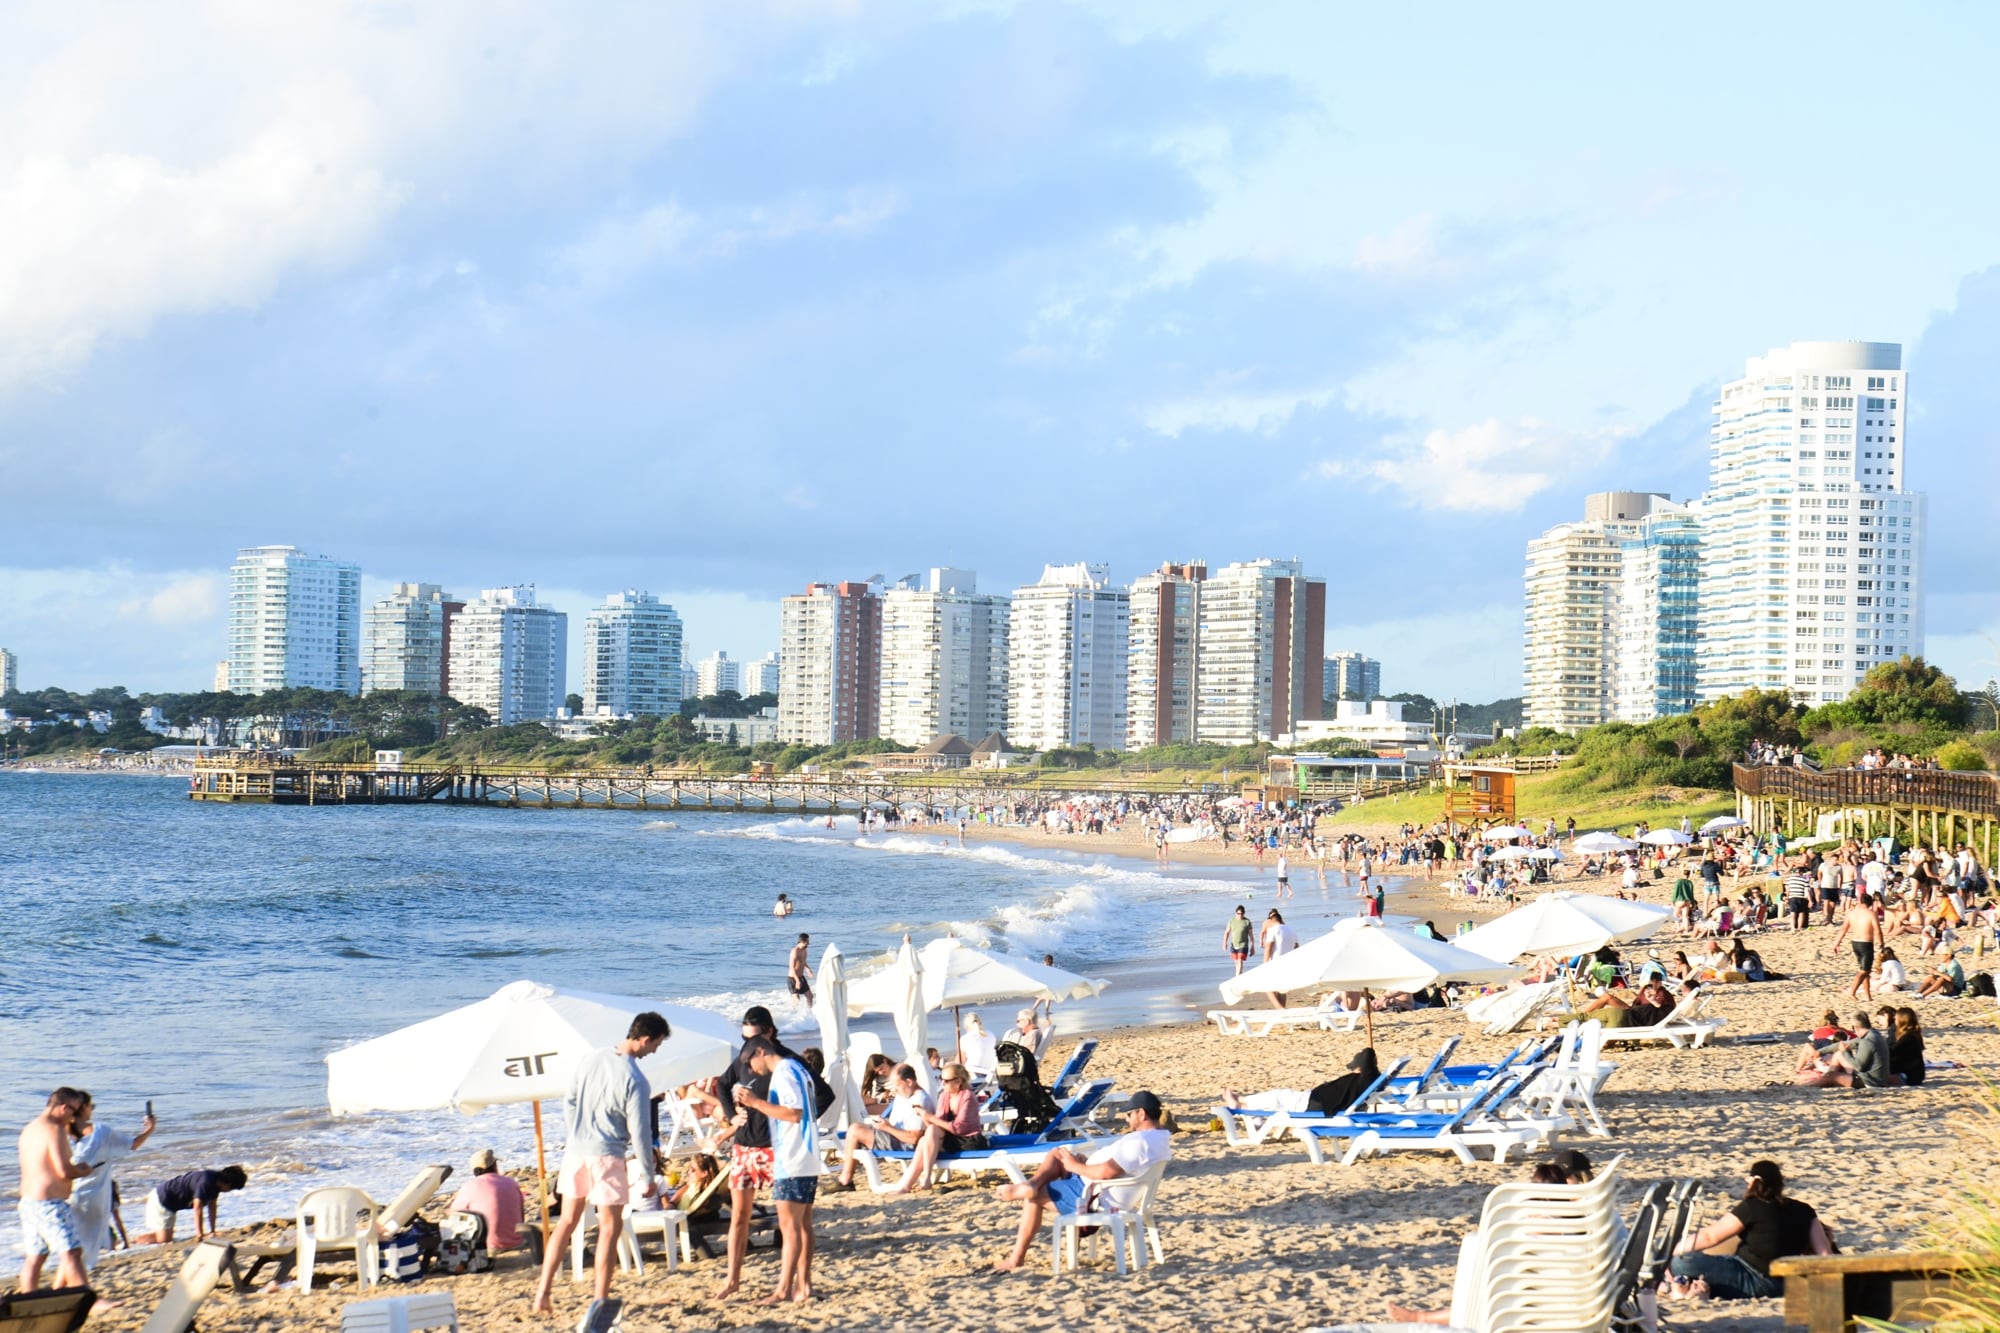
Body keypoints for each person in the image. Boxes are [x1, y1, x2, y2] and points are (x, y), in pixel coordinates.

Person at [529, 1011, 669, 1316]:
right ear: (645, 1039)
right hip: (606, 1153)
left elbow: (570, 1101)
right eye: (655, 1045)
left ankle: (543, 1291)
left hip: (576, 1151)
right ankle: (599, 1298)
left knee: (566, 1222)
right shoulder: (636, 1079)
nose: (654, 1051)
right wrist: (646, 1174)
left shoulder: (591, 1059)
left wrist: (576, 1132)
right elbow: (640, 1132)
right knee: (610, 1227)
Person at [991, 1091, 1173, 1272]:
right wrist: (1084, 1164)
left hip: (1094, 1196)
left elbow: (1106, 1172)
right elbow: (1118, 1170)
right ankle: (1031, 1185)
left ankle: (1016, 1258)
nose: (1127, 1119)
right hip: (1100, 1186)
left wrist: (1075, 1166)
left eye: (1129, 1114)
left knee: (1035, 1197)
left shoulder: (1140, 1141)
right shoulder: (1160, 1138)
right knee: (1057, 1153)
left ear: (1141, 1113)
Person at [729, 1037, 819, 1305]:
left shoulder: (784, 1071)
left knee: (790, 1226)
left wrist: (756, 1103)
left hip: (792, 1155)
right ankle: (804, 1287)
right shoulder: (799, 1068)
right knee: (802, 1225)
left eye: (749, 1062)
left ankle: (783, 1290)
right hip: (807, 1154)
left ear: (760, 1051)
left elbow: (794, 1113)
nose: (751, 1070)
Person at [1667, 1160, 1832, 1300]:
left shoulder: (1753, 1206)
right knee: (1723, 1260)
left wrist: (1671, 1252)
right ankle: (1702, 1290)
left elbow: (1710, 1237)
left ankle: (1691, 1287)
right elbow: (1824, 1254)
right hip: (1784, 1284)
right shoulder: (1805, 1210)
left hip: (1751, 1276)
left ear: (1752, 1182)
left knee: (1682, 1262)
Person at [17, 1088, 96, 1293]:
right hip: (49, 1203)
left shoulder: (30, 1128)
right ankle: (86, 1298)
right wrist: (83, 1170)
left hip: (28, 1202)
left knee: (35, 1257)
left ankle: (28, 1298)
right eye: (74, 1111)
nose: (73, 1118)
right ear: (63, 1108)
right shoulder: (55, 1128)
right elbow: (63, 1171)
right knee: (71, 1252)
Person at [67, 1093, 156, 1272]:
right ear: (83, 1108)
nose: (92, 1110)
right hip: (95, 1199)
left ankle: (67, 1289)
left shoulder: (66, 1134)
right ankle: (78, 1289)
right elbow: (132, 1145)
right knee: (87, 1253)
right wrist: (150, 1129)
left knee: (73, 1250)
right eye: (91, 1106)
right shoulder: (101, 1132)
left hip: (70, 1196)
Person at [829, 1063, 930, 1190]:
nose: (895, 1089)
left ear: (909, 1082)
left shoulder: (919, 1101)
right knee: (856, 1127)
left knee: (854, 1130)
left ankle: (845, 1180)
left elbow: (914, 1138)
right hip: (895, 1136)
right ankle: (845, 1179)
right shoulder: (906, 1095)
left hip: (903, 1144)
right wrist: (884, 1124)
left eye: (897, 1085)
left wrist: (887, 1128)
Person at [890, 1063, 983, 1195]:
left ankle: (920, 1181)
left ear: (958, 1081)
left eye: (946, 1080)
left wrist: (928, 1117)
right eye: (941, 1079)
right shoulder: (945, 1096)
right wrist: (924, 1116)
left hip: (969, 1140)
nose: (942, 1083)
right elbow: (936, 1126)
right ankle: (914, 1183)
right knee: (925, 1139)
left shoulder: (967, 1096)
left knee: (927, 1137)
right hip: (951, 1139)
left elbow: (959, 1128)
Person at [1221, 1047, 1382, 1116]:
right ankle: (1244, 1103)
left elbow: (1368, 1053)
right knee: (1279, 1098)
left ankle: (1242, 1105)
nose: (1353, 1070)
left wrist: (1367, 1060)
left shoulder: (1366, 1079)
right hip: (1315, 1099)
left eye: (1356, 1067)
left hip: (1315, 1104)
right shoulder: (1368, 1081)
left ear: (1362, 1068)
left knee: (1278, 1097)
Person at [129, 1164, 248, 1246]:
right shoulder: (206, 1182)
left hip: (171, 1203)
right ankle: (133, 1242)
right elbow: (198, 1209)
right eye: (231, 1188)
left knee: (165, 1238)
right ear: (228, 1184)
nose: (229, 1191)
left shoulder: (217, 1183)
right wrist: (200, 1235)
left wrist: (213, 1231)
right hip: (162, 1200)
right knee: (164, 1240)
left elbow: (212, 1206)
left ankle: (134, 1241)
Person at [450, 1148, 526, 1252]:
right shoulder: (511, 1182)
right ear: (494, 1166)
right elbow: (521, 1213)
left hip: (488, 1246)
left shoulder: (470, 1186)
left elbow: (454, 1213)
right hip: (517, 1241)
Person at [1831, 894, 1884, 1000]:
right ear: (1870, 903)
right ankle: (1852, 991)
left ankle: (1868, 995)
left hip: (1855, 943)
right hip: (1866, 944)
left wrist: (1836, 943)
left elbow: (1844, 929)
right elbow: (1877, 930)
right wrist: (1881, 943)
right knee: (1864, 971)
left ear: (1860, 901)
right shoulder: (1871, 914)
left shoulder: (1852, 913)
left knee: (1865, 970)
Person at [1224, 905, 1254, 976]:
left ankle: (1237, 977)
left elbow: (1251, 935)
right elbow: (1227, 932)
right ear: (1236, 913)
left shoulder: (1247, 921)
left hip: (1243, 944)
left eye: (1242, 913)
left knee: (1240, 960)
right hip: (1234, 944)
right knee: (1236, 963)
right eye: (1238, 913)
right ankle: (1240, 975)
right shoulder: (1231, 921)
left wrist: (1252, 947)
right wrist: (1225, 943)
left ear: (1244, 913)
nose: (1240, 915)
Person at [787, 933, 815, 1009]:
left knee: (810, 996)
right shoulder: (795, 951)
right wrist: (797, 981)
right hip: (792, 978)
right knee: (796, 999)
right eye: (807, 942)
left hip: (801, 977)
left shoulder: (804, 950)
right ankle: (793, 1015)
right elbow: (792, 967)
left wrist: (808, 969)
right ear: (802, 941)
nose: (809, 943)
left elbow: (803, 961)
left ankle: (809, 1014)